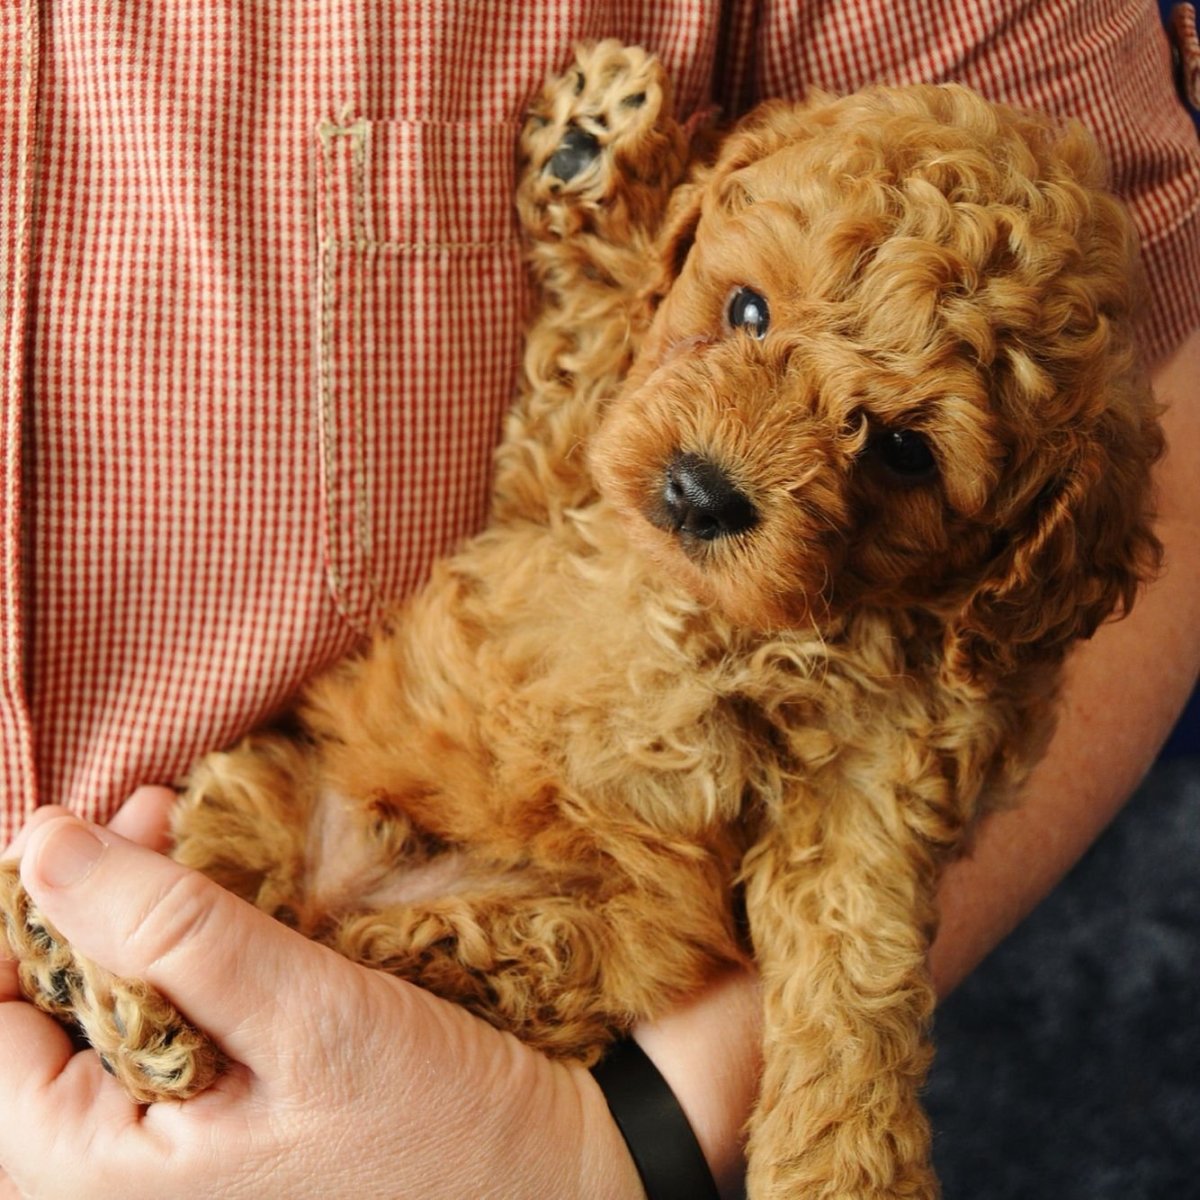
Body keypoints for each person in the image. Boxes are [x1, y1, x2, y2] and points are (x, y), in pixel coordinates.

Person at [1, 2, 1197, 1196]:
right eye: (745, 315)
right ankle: (131, 992)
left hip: (512, 1002)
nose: (717, 466)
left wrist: (625, 1138)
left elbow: (851, 913)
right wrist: (601, 257)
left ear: (1027, 541)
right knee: (227, 836)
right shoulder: (663, 314)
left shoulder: (898, 676)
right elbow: (564, 430)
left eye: (893, 449)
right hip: (296, 800)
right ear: (688, 238)